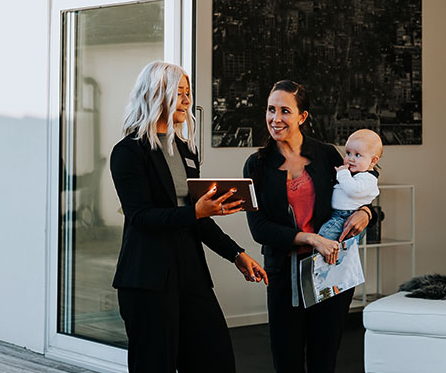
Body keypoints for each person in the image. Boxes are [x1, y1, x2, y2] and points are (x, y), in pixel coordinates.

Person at [110, 61, 268, 373]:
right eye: (178, 92)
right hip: (148, 280)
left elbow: (196, 219)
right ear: (156, 94)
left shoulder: (184, 149)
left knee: (216, 359)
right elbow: (141, 217)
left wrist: (236, 254)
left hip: (191, 274)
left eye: (187, 92)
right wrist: (195, 211)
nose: (186, 100)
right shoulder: (128, 152)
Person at [242, 80, 379, 373]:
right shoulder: (256, 164)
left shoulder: (327, 155)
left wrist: (366, 213)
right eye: (270, 110)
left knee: (323, 360)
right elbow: (260, 228)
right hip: (284, 278)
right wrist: (312, 238)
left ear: (302, 117)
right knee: (287, 361)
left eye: (285, 111)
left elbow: (364, 194)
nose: (275, 119)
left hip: (331, 273)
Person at [317, 129, 382, 247]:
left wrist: (342, 173)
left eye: (357, 155)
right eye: (348, 153)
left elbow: (353, 190)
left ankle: (328, 264)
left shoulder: (368, 178)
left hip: (345, 217)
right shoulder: (354, 173)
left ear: (373, 161)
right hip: (337, 214)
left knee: (324, 239)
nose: (350, 159)